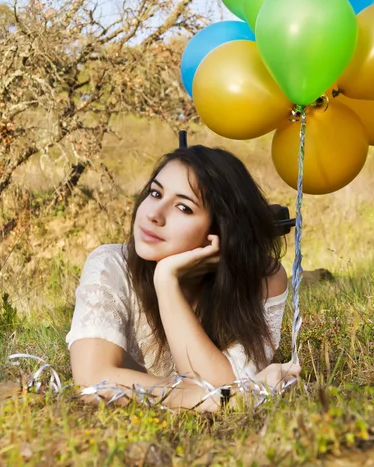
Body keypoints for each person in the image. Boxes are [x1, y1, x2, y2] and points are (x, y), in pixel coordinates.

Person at [66, 145, 300, 410]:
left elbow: (223, 382)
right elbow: (92, 380)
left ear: (221, 229)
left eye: (184, 208)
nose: (153, 214)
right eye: (155, 193)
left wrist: (167, 283)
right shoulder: (111, 265)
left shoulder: (262, 279)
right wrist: (209, 399)